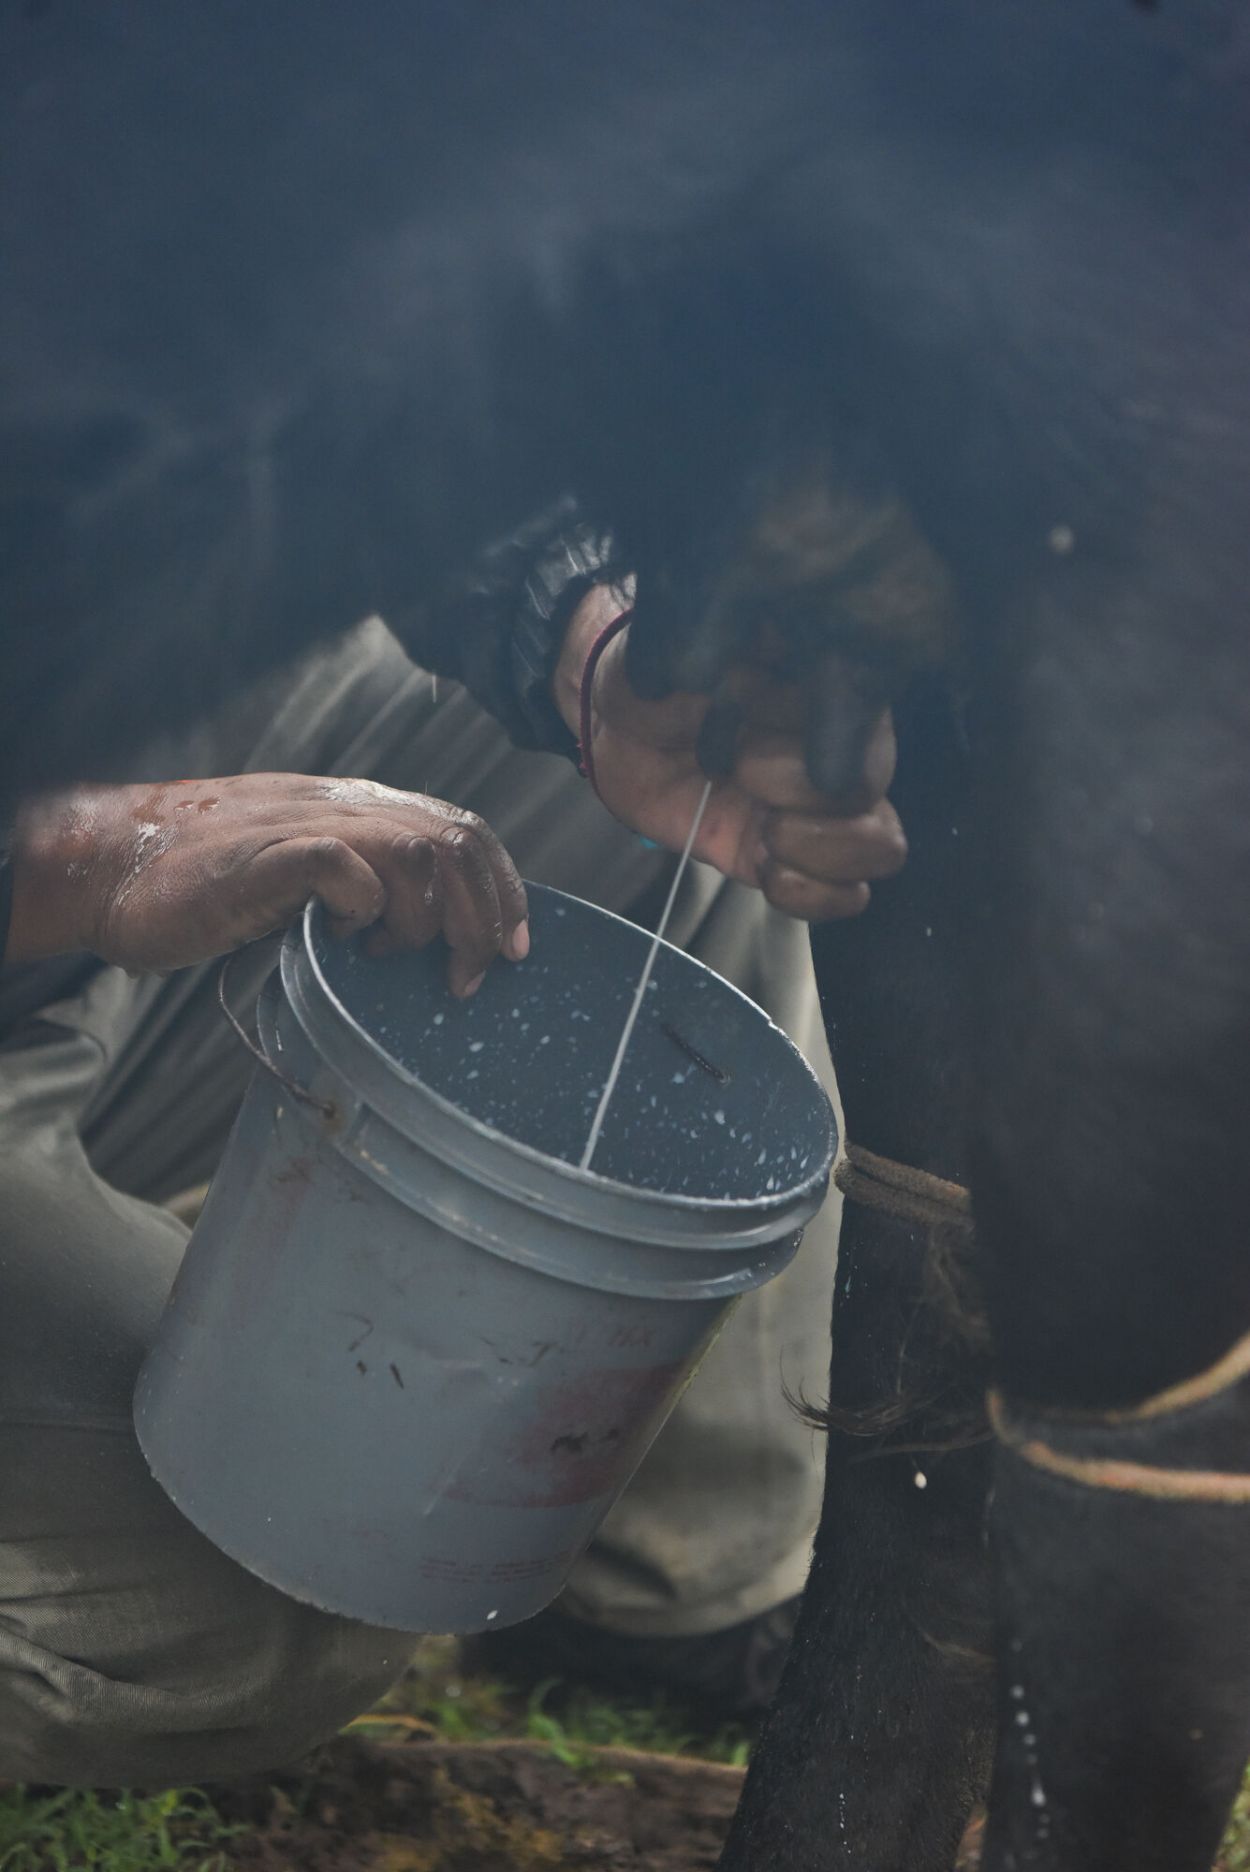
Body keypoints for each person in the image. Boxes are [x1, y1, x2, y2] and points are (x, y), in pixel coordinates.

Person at [0, 511, 904, 1784]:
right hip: (54, 882)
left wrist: (578, 644)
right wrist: (81, 856)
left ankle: (670, 1605)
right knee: (278, 1570)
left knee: (684, 765)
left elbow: (308, 405)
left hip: (55, 917)